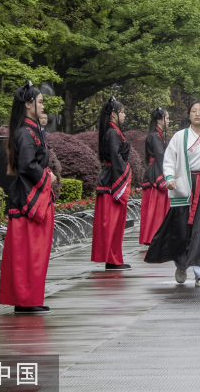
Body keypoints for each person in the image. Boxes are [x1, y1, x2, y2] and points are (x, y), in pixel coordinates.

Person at [145, 99, 200, 287]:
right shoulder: (179, 137)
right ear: (189, 115)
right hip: (184, 187)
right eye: (193, 111)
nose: (197, 114)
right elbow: (168, 160)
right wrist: (169, 178)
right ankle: (181, 263)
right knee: (182, 230)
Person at [0, 81, 55, 315]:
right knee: (27, 253)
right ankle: (24, 300)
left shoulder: (31, 130)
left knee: (36, 252)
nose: (43, 106)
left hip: (35, 195)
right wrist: (46, 177)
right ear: (29, 104)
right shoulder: (25, 132)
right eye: (40, 102)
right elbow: (27, 165)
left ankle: (31, 297)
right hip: (28, 198)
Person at [91, 95, 132, 271]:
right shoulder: (113, 132)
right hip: (112, 181)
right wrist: (121, 179)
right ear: (114, 114)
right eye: (121, 112)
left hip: (111, 178)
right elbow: (115, 157)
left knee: (115, 224)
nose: (124, 115)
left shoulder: (113, 131)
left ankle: (114, 257)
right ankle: (112, 258)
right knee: (112, 224)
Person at [140, 107, 170, 245]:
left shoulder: (158, 135)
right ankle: (154, 236)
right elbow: (160, 156)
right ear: (159, 120)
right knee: (156, 208)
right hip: (156, 172)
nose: (168, 121)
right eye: (167, 118)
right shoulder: (154, 136)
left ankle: (158, 236)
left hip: (157, 169)